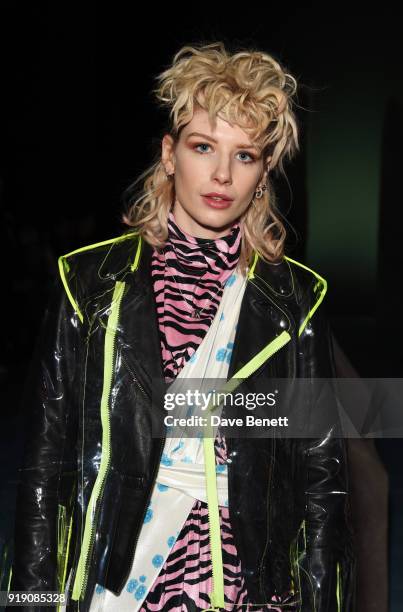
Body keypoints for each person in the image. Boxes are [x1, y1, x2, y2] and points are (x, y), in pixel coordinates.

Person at [8, 41, 357, 611]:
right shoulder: (91, 283)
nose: (222, 174)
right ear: (169, 154)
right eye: (203, 147)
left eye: (245, 155)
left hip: (246, 586)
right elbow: (46, 465)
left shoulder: (293, 300)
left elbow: (320, 479)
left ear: (265, 171)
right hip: (118, 579)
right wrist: (32, 601)